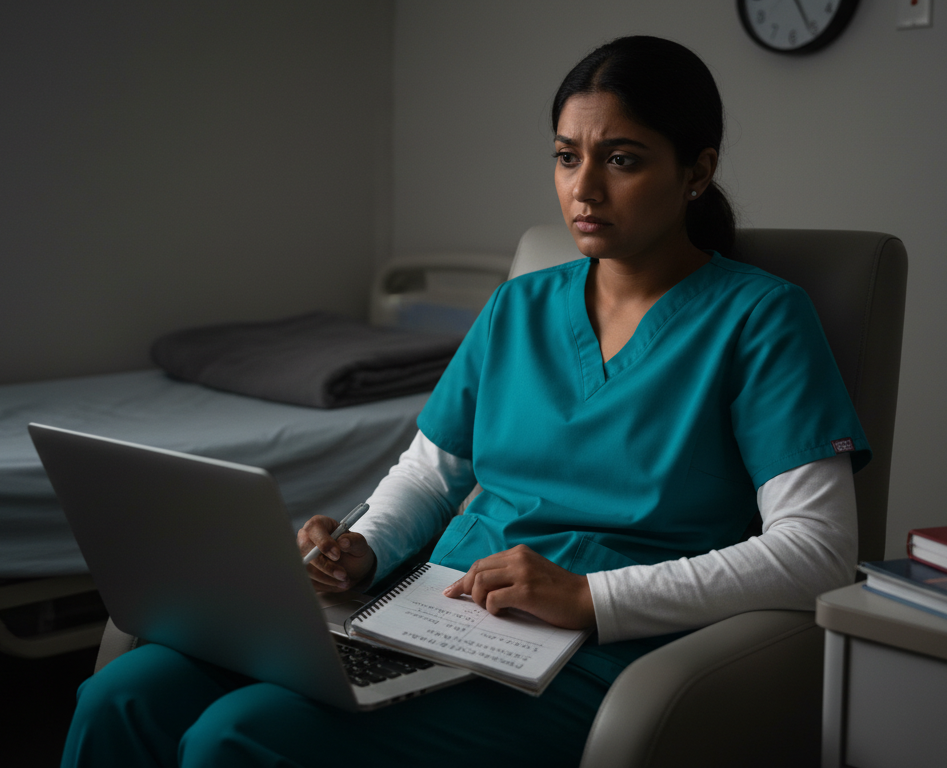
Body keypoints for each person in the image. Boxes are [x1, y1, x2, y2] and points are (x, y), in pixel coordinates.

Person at [61, 35, 868, 768]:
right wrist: (364, 549)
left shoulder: (761, 319)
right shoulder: (522, 306)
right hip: (425, 609)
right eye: (565, 156)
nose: (582, 188)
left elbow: (817, 552)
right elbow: (431, 474)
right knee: (121, 695)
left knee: (239, 736)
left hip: (590, 652)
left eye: (621, 160)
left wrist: (590, 597)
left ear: (696, 171)